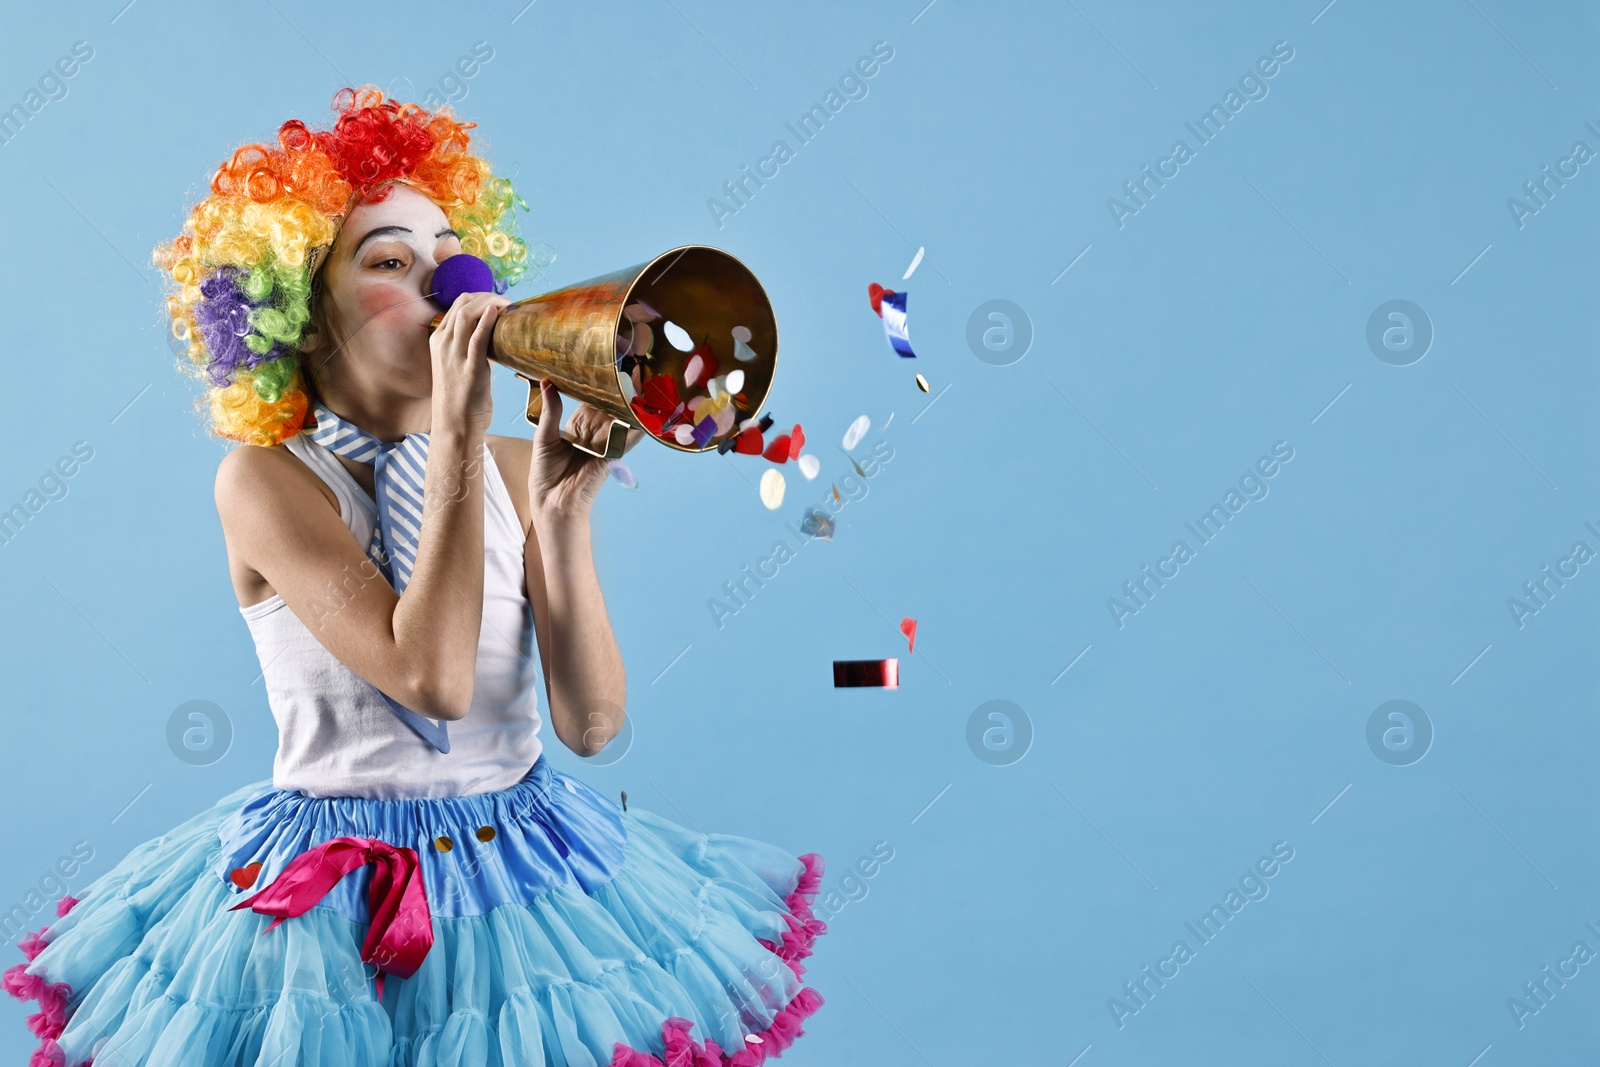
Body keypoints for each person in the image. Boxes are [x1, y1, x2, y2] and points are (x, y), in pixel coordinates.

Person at [4, 86, 825, 1067]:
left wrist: (559, 517)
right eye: (390, 261)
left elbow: (593, 729)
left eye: (451, 256)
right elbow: (429, 675)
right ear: (302, 319)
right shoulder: (267, 482)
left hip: (517, 870)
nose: (446, 286)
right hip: (327, 896)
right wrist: (460, 436)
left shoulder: (517, 468)